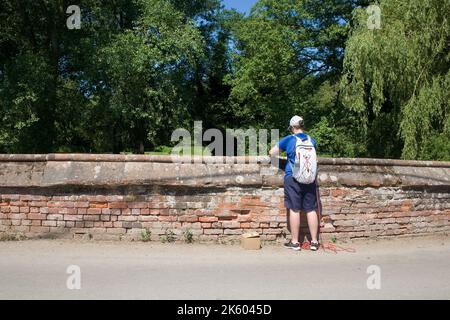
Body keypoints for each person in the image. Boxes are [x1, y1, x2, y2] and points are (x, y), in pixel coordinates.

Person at [269, 115, 320, 251]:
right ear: (303, 126)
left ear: (292, 127)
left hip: (292, 177)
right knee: (310, 209)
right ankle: (314, 242)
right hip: (309, 178)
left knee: (294, 209)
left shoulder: (289, 139)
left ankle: (295, 242)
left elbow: (271, 153)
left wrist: (285, 160)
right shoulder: (311, 140)